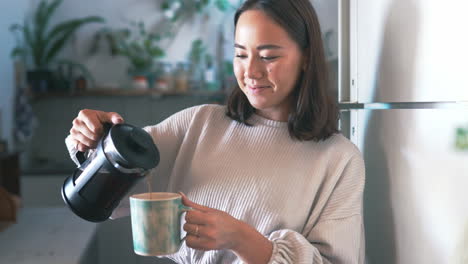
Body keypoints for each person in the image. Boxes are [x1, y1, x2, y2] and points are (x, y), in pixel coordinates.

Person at [65, 0, 366, 263]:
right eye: (241, 54)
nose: (251, 72)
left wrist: (242, 239)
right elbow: (105, 188)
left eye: (269, 56)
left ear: (307, 58)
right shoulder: (199, 124)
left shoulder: (338, 159)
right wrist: (93, 140)